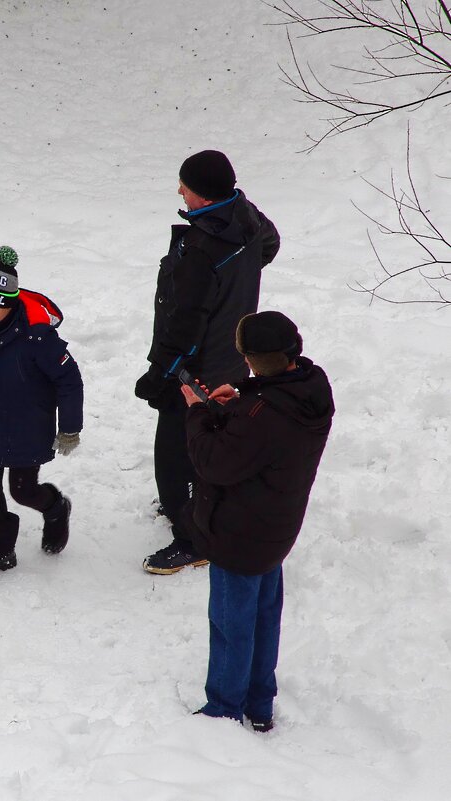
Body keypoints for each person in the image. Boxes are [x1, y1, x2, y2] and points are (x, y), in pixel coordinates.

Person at [180, 311, 334, 731]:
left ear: (252, 357)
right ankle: (259, 705)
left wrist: (197, 412)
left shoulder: (263, 416)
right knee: (265, 619)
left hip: (239, 536)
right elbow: (261, 432)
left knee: (232, 627)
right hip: (275, 531)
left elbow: (215, 463)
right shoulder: (310, 388)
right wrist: (242, 401)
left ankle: (223, 711)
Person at [135, 149, 281, 575]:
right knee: (210, 441)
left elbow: (185, 325)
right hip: (232, 356)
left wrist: (159, 374)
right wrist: (240, 283)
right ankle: (192, 515)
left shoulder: (203, 249)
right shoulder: (243, 215)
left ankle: (192, 538)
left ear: (201, 195)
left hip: (195, 369)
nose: (179, 190)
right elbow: (269, 244)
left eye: (185, 185)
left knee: (177, 450)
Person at [0, 246, 83, 575]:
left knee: (22, 490)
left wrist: (69, 428)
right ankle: (1, 549)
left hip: (29, 426)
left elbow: (69, 380)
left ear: (9, 305)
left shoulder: (38, 337)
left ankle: (55, 507)